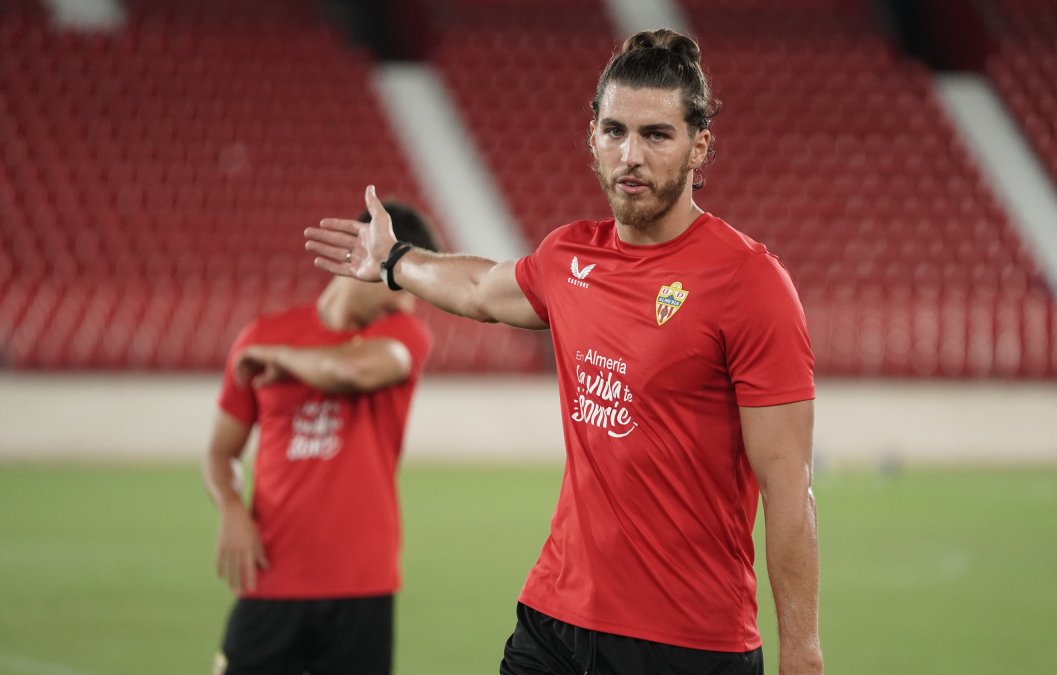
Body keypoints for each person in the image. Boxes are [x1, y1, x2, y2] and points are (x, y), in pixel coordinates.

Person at [306, 29, 821, 675]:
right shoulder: (571, 255)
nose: (630, 154)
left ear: (700, 147)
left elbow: (787, 483)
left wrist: (801, 652)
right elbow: (480, 288)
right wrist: (394, 260)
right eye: (615, 131)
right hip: (553, 621)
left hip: (685, 643)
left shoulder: (750, 282)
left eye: (657, 135)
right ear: (593, 138)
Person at [203, 203, 438, 675]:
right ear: (366, 257)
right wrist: (230, 506)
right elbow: (220, 451)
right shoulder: (265, 332)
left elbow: (351, 372)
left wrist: (279, 359)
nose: (410, 298)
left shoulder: (402, 334)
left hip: (361, 584)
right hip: (272, 576)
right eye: (400, 277)